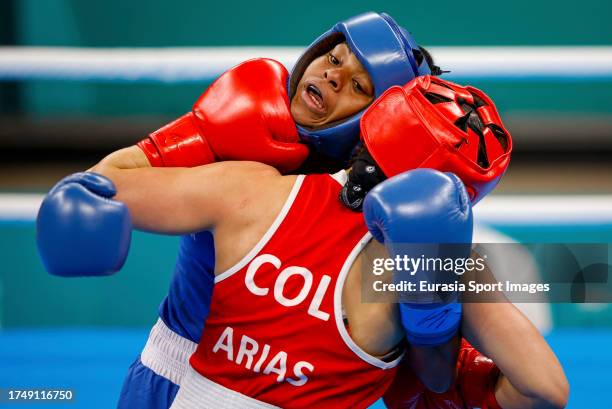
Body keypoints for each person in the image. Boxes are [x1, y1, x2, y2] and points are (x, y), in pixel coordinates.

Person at [39, 76, 567, 408]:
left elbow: (92, 193)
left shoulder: (252, 187)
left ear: (372, 126)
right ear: (465, 196)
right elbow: (547, 390)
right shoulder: (452, 265)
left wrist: (195, 135)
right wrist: (435, 328)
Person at [39, 12, 448, 409]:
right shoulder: (241, 155)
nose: (332, 76)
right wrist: (201, 135)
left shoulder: (391, 217)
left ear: (379, 118)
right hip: (175, 378)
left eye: (357, 85)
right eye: (333, 58)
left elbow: (435, 366)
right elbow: (98, 188)